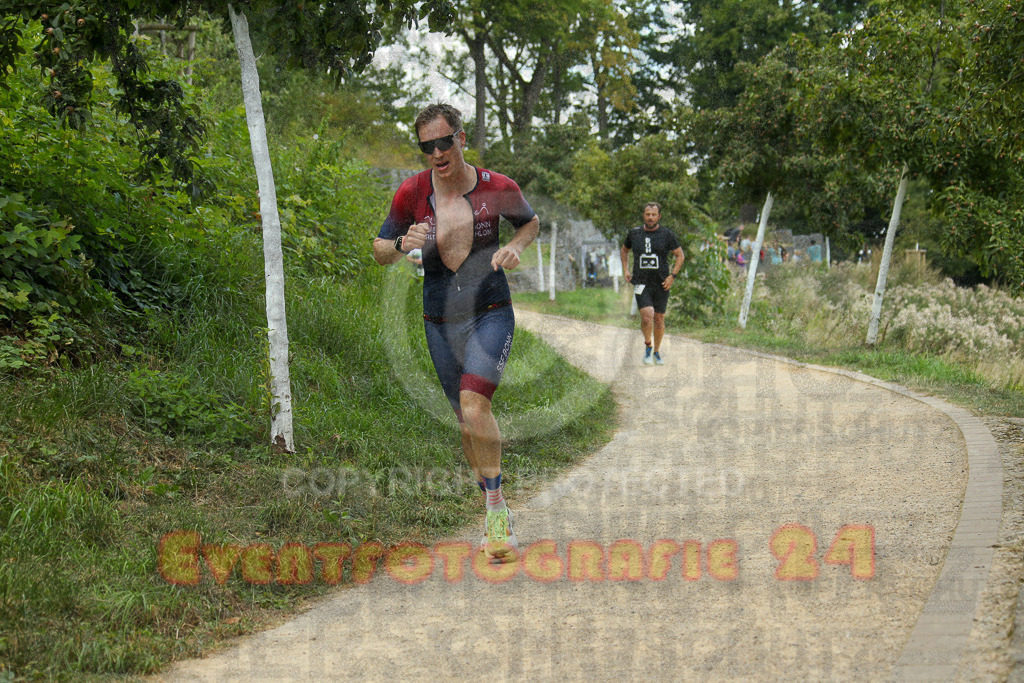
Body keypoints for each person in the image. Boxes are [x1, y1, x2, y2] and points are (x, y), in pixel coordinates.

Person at [373, 103, 539, 562]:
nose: (437, 153)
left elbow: (530, 222)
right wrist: (401, 243)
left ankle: (496, 510)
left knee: (474, 403)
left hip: (490, 310)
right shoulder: (412, 193)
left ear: (462, 139)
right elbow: (379, 250)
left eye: (445, 142)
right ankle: (489, 495)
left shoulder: (497, 188)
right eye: (427, 146)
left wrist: (513, 245)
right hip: (439, 322)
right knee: (465, 421)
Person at [620, 202, 684, 366]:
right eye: (648, 214)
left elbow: (680, 255)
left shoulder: (666, 234)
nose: (650, 217)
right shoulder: (634, 233)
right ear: (644, 215)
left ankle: (656, 352)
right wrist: (626, 269)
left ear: (659, 217)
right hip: (642, 282)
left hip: (661, 283)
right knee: (647, 315)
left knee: (659, 318)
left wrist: (672, 276)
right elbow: (624, 250)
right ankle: (648, 346)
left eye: (653, 215)